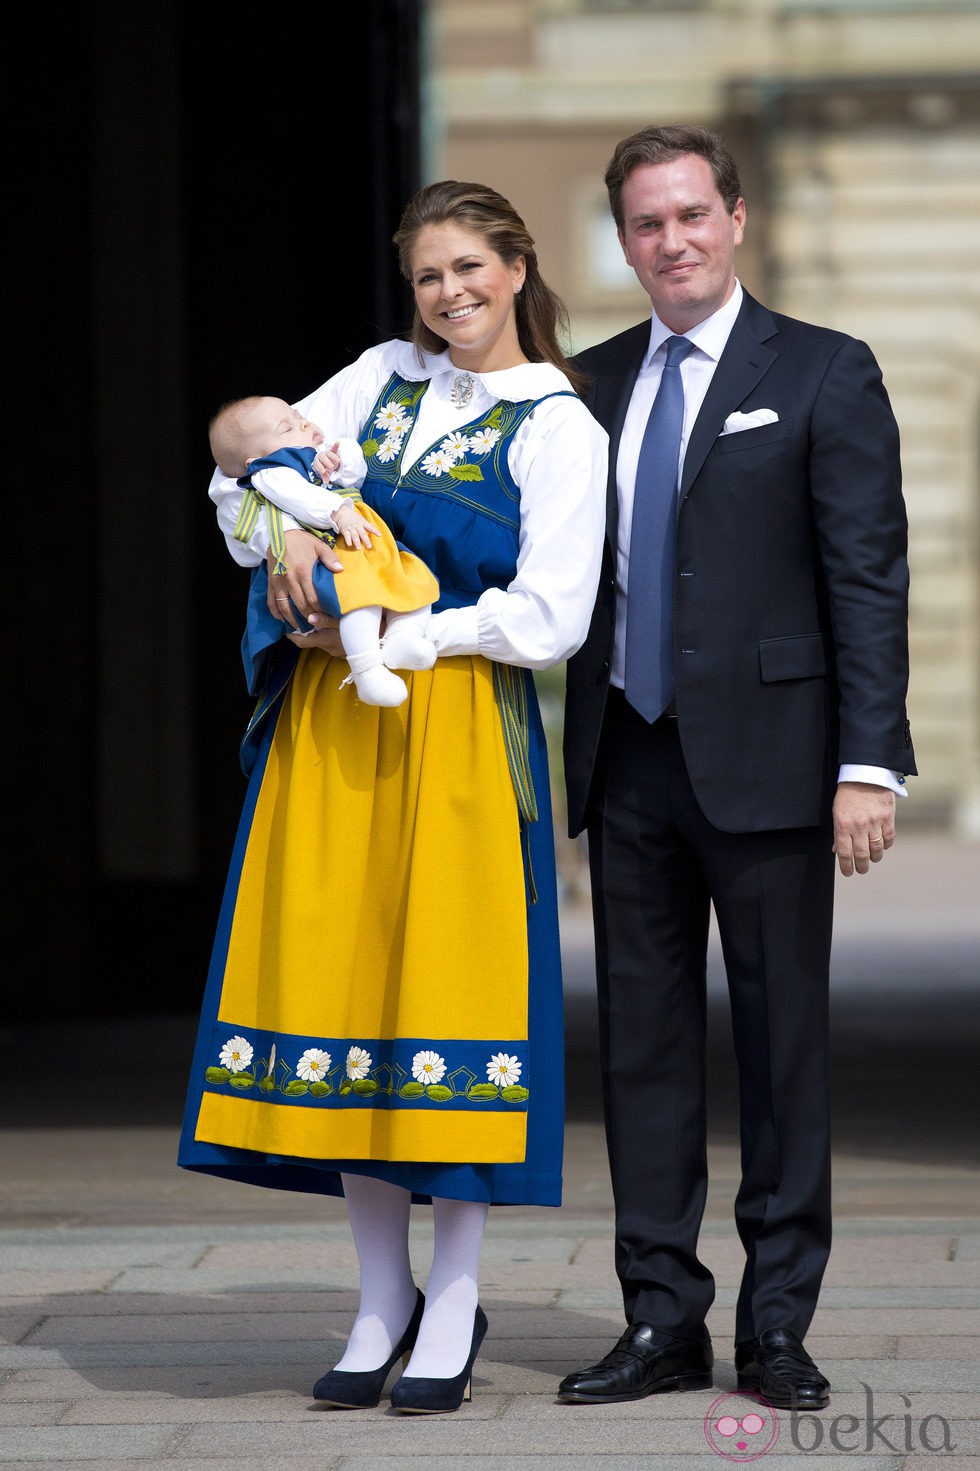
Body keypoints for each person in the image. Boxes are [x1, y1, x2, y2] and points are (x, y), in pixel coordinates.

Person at [178, 179, 608, 1415]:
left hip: (460, 733)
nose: (449, 294)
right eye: (428, 275)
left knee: (444, 1007)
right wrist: (288, 541)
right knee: (347, 994)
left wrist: (406, 634)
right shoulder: (373, 377)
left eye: (470, 267)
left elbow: (550, 615)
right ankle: (377, 1298)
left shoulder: (557, 426)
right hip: (331, 737)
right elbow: (237, 477)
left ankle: (455, 1298)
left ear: (518, 268)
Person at [559, 125, 915, 1413]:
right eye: (646, 223)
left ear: (736, 219)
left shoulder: (821, 372)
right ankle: (659, 1320)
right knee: (638, 1060)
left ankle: (776, 1327)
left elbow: (867, 578)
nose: (671, 241)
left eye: (690, 215)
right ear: (624, 238)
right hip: (627, 758)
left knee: (779, 1053)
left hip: (774, 763)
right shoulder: (583, 383)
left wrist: (866, 761)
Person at [208, 394, 439, 706]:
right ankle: (367, 668)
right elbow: (297, 496)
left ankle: (403, 637)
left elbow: (354, 476)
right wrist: (338, 512)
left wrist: (340, 459)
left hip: (359, 540)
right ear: (255, 460)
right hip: (332, 548)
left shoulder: (307, 459)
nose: (302, 423)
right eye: (286, 429)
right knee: (362, 597)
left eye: (298, 416)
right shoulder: (271, 472)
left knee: (411, 577)